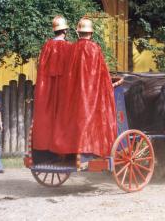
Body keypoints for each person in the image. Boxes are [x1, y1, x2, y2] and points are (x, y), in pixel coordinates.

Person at [54, 17, 117, 157]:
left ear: (78, 33)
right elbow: (102, 73)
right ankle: (92, 148)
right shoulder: (95, 48)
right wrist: (109, 86)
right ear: (91, 33)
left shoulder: (71, 48)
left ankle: (72, 147)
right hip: (91, 94)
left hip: (74, 94)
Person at [32, 16, 72, 151]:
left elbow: (41, 68)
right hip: (64, 88)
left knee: (48, 116)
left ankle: (46, 146)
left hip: (47, 87)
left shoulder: (47, 45)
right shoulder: (68, 46)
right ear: (65, 30)